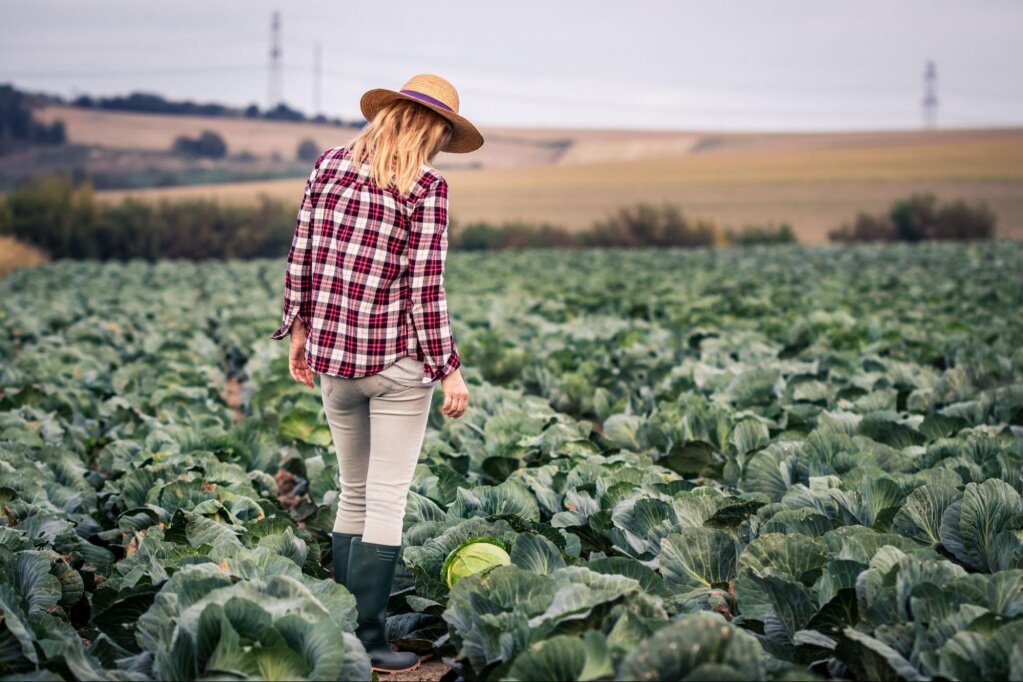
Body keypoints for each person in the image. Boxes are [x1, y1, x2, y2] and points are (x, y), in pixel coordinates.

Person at [269, 73, 484, 674]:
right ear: (434, 129)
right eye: (443, 133)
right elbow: (424, 288)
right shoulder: (428, 189)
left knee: (353, 492)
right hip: (397, 363)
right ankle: (371, 638)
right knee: (386, 498)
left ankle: (344, 629)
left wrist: (301, 330)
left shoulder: (328, 166)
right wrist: (449, 370)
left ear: (387, 114)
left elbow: (302, 253)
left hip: (334, 361)